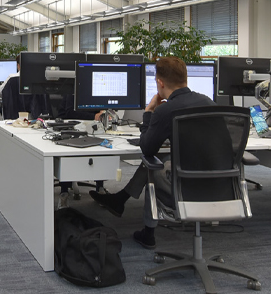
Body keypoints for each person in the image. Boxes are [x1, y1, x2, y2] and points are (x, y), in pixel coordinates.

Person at [89, 56, 215, 249]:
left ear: (159, 82)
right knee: (164, 157)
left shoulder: (166, 110)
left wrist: (149, 111)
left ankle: (148, 234)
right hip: (215, 182)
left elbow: (147, 148)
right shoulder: (208, 102)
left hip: (185, 185)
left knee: (153, 166)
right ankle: (120, 199)